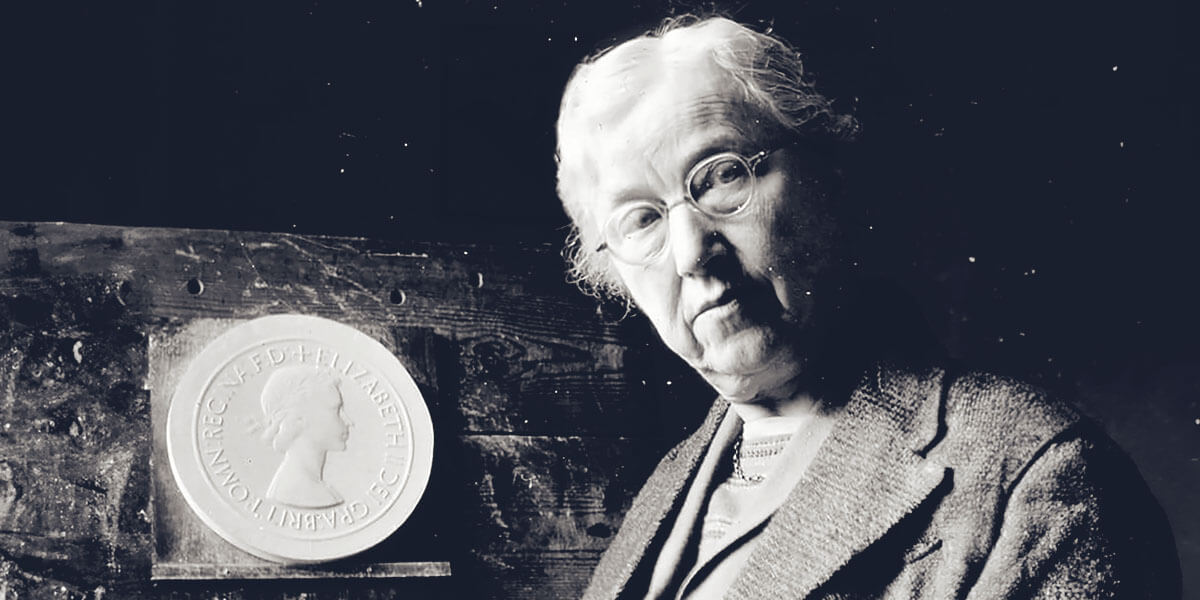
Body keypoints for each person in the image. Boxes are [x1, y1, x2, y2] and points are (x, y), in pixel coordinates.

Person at [553, 15, 1180, 599]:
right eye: (640, 220)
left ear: (826, 176)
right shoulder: (669, 485)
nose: (692, 252)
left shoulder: (1036, 476)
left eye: (722, 176)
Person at [259, 367, 353, 509]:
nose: (348, 421)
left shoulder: (318, 488)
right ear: (298, 420)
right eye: (336, 410)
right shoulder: (296, 491)